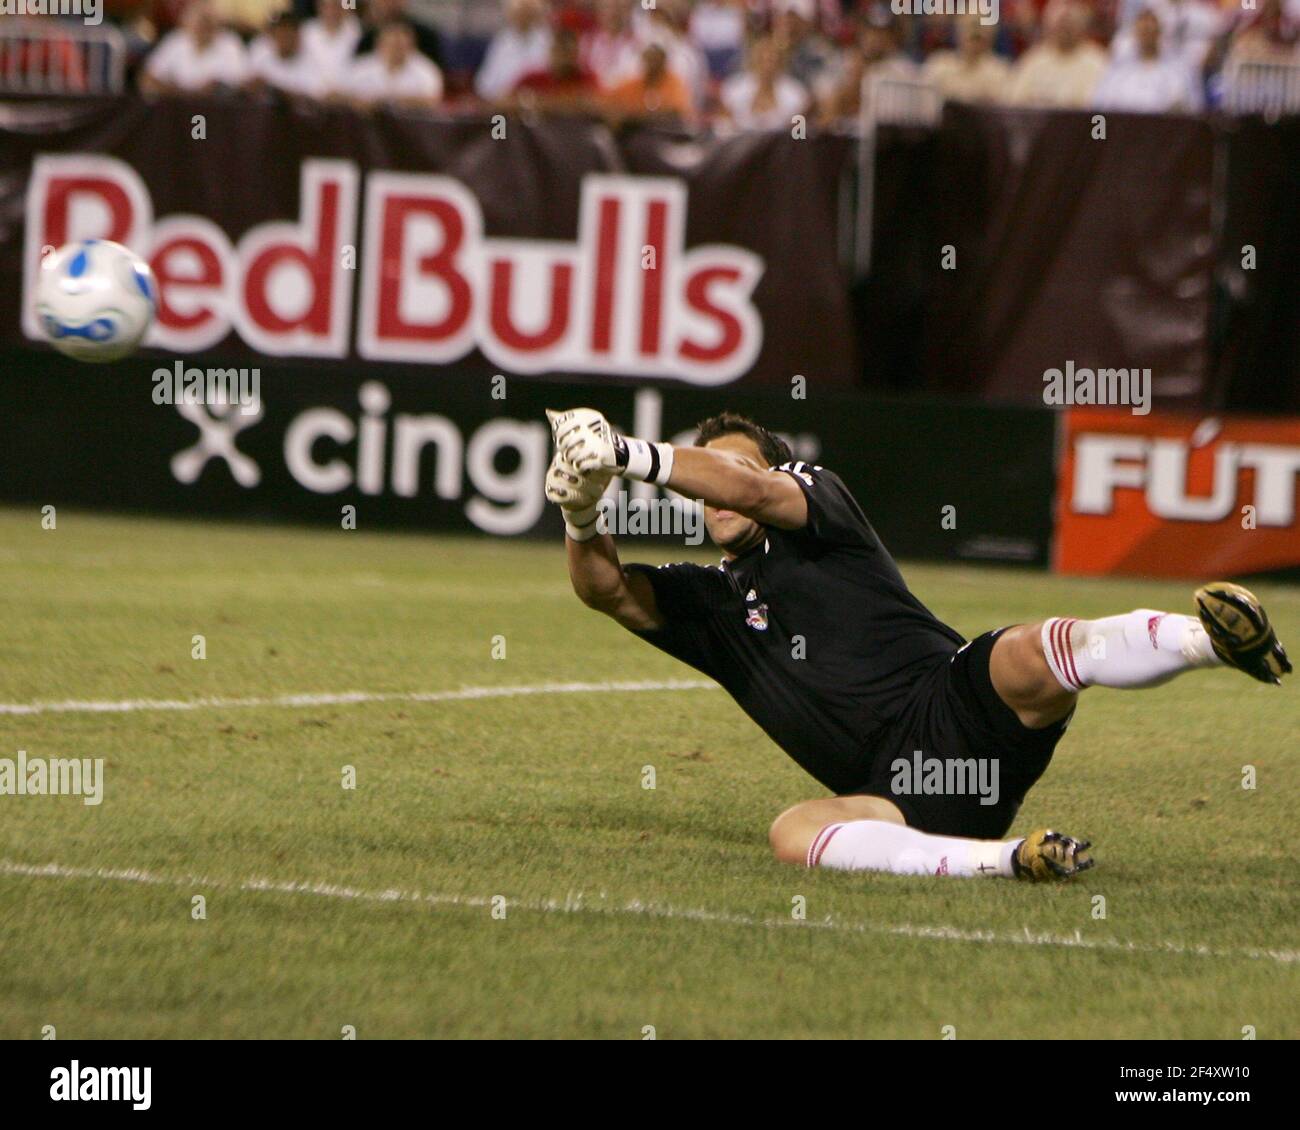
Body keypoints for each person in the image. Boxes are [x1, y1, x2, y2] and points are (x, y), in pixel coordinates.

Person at [544, 408, 1290, 881]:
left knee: (1028, 652)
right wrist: (581, 514)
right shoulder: (706, 602)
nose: (720, 491)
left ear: (769, 467)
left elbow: (758, 492)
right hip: (899, 798)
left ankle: (1214, 641)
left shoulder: (815, 499)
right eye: (705, 483)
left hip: (958, 706)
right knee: (792, 832)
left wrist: (630, 452)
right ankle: (1009, 861)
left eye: (734, 468)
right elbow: (607, 591)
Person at [1094, 8, 1203, 111]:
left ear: (1159, 32)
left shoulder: (1179, 71)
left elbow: (1195, 107)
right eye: (1144, 31)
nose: (1147, 34)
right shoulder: (1117, 71)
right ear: (1135, 32)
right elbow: (1099, 107)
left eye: (1151, 30)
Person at [1005, 0, 1108, 107]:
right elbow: (1014, 103)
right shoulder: (1033, 60)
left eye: (1070, 24)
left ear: (1083, 26)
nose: (1065, 29)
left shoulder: (1099, 62)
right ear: (1048, 25)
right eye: (1061, 24)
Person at [139, 0, 250, 94]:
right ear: (187, 23)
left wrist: (215, 87)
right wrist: (178, 91)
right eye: (199, 22)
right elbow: (147, 79)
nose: (203, 27)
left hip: (217, 112)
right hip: (175, 110)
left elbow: (242, 85)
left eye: (208, 22)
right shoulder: (175, 41)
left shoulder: (230, 44)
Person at [346, 18, 443, 109]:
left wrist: (389, 101)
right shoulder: (361, 67)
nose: (395, 48)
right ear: (379, 43)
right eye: (392, 43)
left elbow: (431, 101)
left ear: (411, 44)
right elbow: (345, 96)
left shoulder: (426, 70)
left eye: (400, 44)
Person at [248, 12, 327, 99]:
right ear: (272, 35)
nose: (284, 38)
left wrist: (283, 94)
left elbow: (318, 97)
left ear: (297, 36)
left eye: (289, 32)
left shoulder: (310, 64)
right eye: (280, 32)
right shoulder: (262, 61)